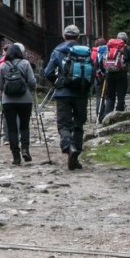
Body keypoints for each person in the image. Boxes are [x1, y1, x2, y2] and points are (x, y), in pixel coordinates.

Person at [43, 24, 92, 170]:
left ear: (64, 36)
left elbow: (47, 72)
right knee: (79, 124)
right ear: (78, 37)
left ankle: (68, 147)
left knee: (64, 124)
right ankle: (75, 154)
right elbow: (93, 70)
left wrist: (57, 82)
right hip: (81, 94)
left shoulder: (58, 50)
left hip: (63, 93)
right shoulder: (86, 51)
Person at [0, 43, 37, 165]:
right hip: (25, 99)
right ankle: (25, 149)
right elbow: (32, 81)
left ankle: (16, 156)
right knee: (24, 126)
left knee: (12, 128)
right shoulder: (25, 64)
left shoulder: (3, 65)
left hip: (8, 101)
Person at [99, 32, 130, 123]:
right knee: (121, 96)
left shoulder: (109, 47)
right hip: (121, 74)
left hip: (109, 74)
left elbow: (101, 60)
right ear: (126, 40)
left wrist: (103, 71)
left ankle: (107, 117)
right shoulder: (127, 48)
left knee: (110, 96)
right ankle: (119, 116)